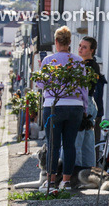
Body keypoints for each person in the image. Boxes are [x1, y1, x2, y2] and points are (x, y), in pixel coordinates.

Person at [37, 26, 90, 195]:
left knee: (53, 145)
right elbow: (84, 88)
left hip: (54, 106)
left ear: (56, 42)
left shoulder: (48, 61)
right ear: (69, 42)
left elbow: (40, 84)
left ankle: (51, 182)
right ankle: (66, 182)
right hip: (75, 107)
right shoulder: (78, 61)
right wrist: (85, 108)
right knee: (69, 145)